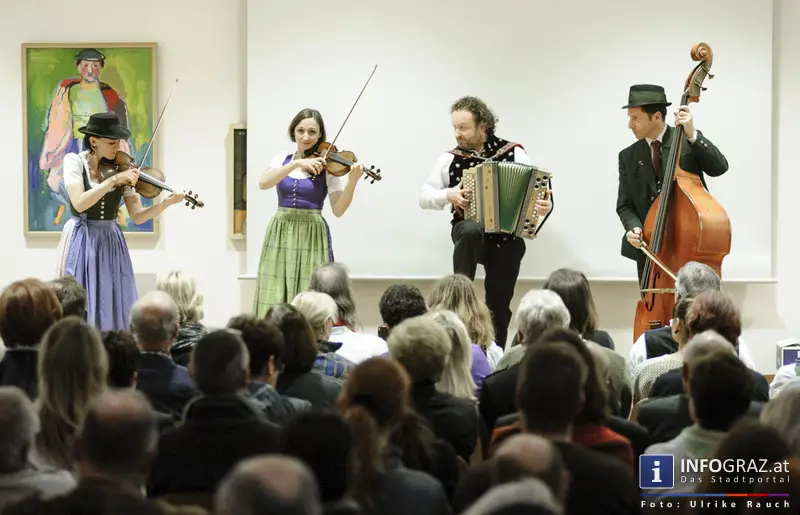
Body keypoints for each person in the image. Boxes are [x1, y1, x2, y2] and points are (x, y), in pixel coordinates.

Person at [419, 96, 553, 348]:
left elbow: (537, 191)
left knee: (498, 305)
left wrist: (543, 206)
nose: (457, 134)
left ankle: (496, 352)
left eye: (463, 127)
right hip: (468, 232)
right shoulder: (450, 159)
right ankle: (461, 295)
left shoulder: (514, 152)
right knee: (470, 229)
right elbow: (424, 196)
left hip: (504, 238)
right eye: (455, 127)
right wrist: (449, 195)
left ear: (483, 126)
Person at [54, 112, 185, 331]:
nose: (118, 148)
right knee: (78, 300)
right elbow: (79, 203)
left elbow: (137, 215)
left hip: (110, 240)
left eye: (119, 143)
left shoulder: (122, 168)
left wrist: (166, 204)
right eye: (112, 143)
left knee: (111, 299)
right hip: (82, 236)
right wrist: (113, 181)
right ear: (93, 141)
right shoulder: (74, 162)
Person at [253, 108, 364, 317]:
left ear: (319, 134)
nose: (306, 137)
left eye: (312, 132)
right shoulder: (282, 159)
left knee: (309, 290)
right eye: (301, 130)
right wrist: (297, 162)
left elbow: (338, 209)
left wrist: (352, 182)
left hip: (312, 234)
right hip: (280, 230)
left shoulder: (328, 167)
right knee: (275, 287)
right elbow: (263, 182)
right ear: (293, 132)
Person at [616, 84, 729, 282]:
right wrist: (633, 227)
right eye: (629, 118)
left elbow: (719, 167)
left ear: (656, 116)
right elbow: (625, 204)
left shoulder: (686, 142)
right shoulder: (628, 156)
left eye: (636, 118)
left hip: (688, 248)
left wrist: (693, 134)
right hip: (650, 252)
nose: (630, 125)